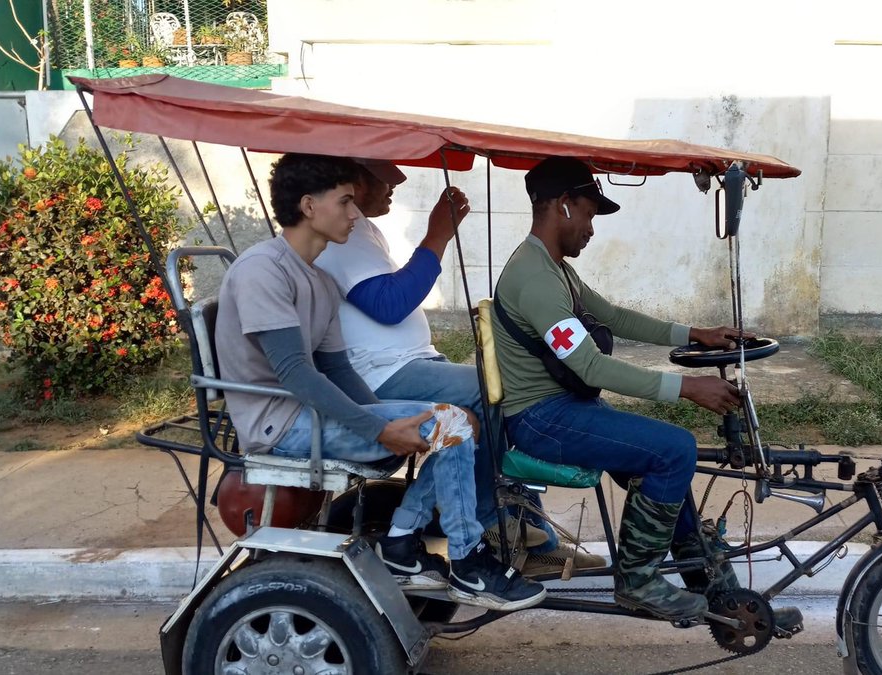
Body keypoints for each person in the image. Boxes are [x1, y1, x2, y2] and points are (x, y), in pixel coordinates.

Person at [214, 152, 544, 611]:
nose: (355, 214)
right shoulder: (262, 270)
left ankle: (403, 541)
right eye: (345, 202)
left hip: (311, 413)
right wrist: (380, 428)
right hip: (282, 426)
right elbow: (295, 372)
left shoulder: (318, 279)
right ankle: (468, 561)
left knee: (458, 422)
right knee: (455, 424)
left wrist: (388, 416)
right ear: (309, 206)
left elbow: (338, 369)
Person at [314, 158, 604, 574]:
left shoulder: (362, 228)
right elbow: (389, 303)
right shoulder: (346, 232)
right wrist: (438, 233)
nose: (397, 184)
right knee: (494, 392)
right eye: (385, 178)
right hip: (382, 374)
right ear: (355, 181)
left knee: (505, 392)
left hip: (408, 362)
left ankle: (529, 532)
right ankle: (494, 522)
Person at [492, 156, 747, 621]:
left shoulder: (554, 268)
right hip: (541, 419)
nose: (591, 228)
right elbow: (589, 366)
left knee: (665, 463)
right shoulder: (533, 277)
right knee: (674, 450)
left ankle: (714, 589)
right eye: (588, 213)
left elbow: (613, 316)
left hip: (562, 408)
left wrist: (694, 333)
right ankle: (638, 582)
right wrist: (686, 387)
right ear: (563, 206)